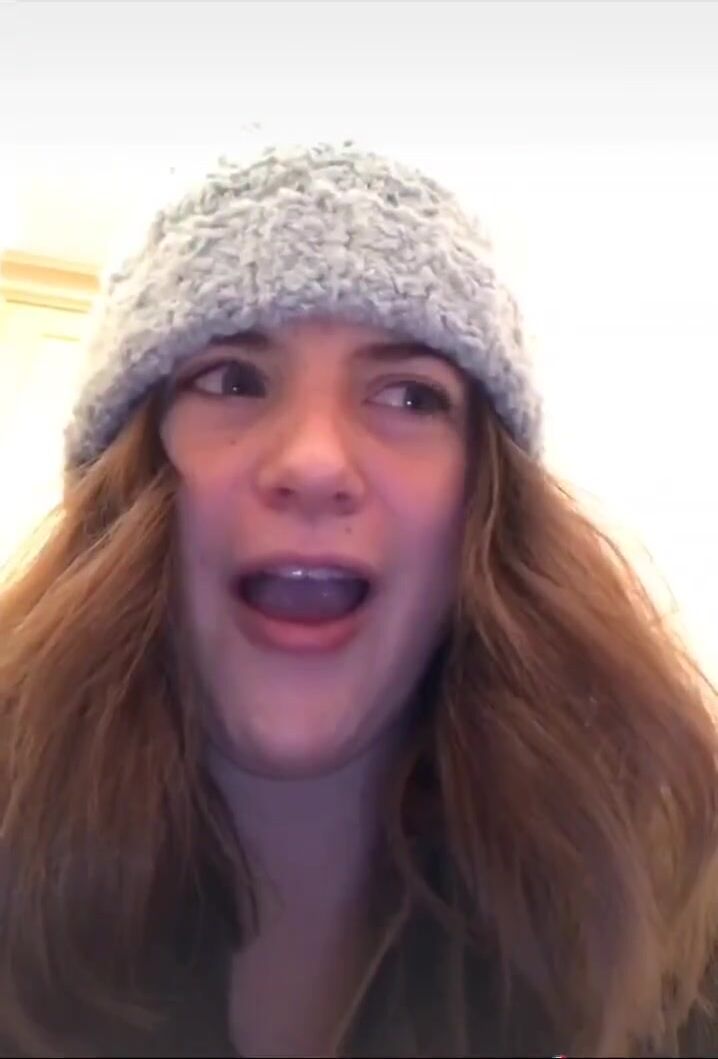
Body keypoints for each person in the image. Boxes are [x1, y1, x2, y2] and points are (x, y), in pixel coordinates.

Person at [1, 140, 717, 1059]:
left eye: (409, 396)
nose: (314, 462)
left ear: (485, 502)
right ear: (124, 480)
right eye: (233, 379)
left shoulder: (669, 923)